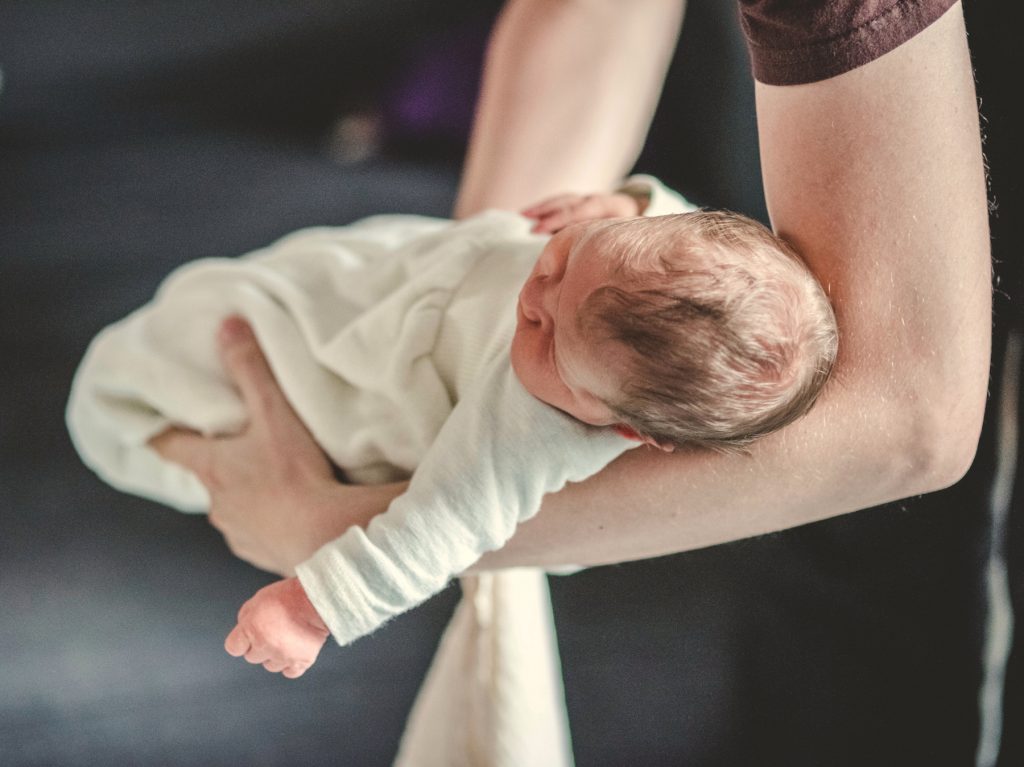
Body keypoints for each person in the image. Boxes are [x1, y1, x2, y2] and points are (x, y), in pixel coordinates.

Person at [68, 176, 837, 677]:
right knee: (243, 299)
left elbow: (434, 533)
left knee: (165, 376)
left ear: (625, 430)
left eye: (548, 335)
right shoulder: (641, 272)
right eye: (565, 261)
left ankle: (123, 418)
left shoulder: (534, 428)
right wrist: (625, 208)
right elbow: (679, 237)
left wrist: (311, 609)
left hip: (366, 380)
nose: (535, 294)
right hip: (399, 279)